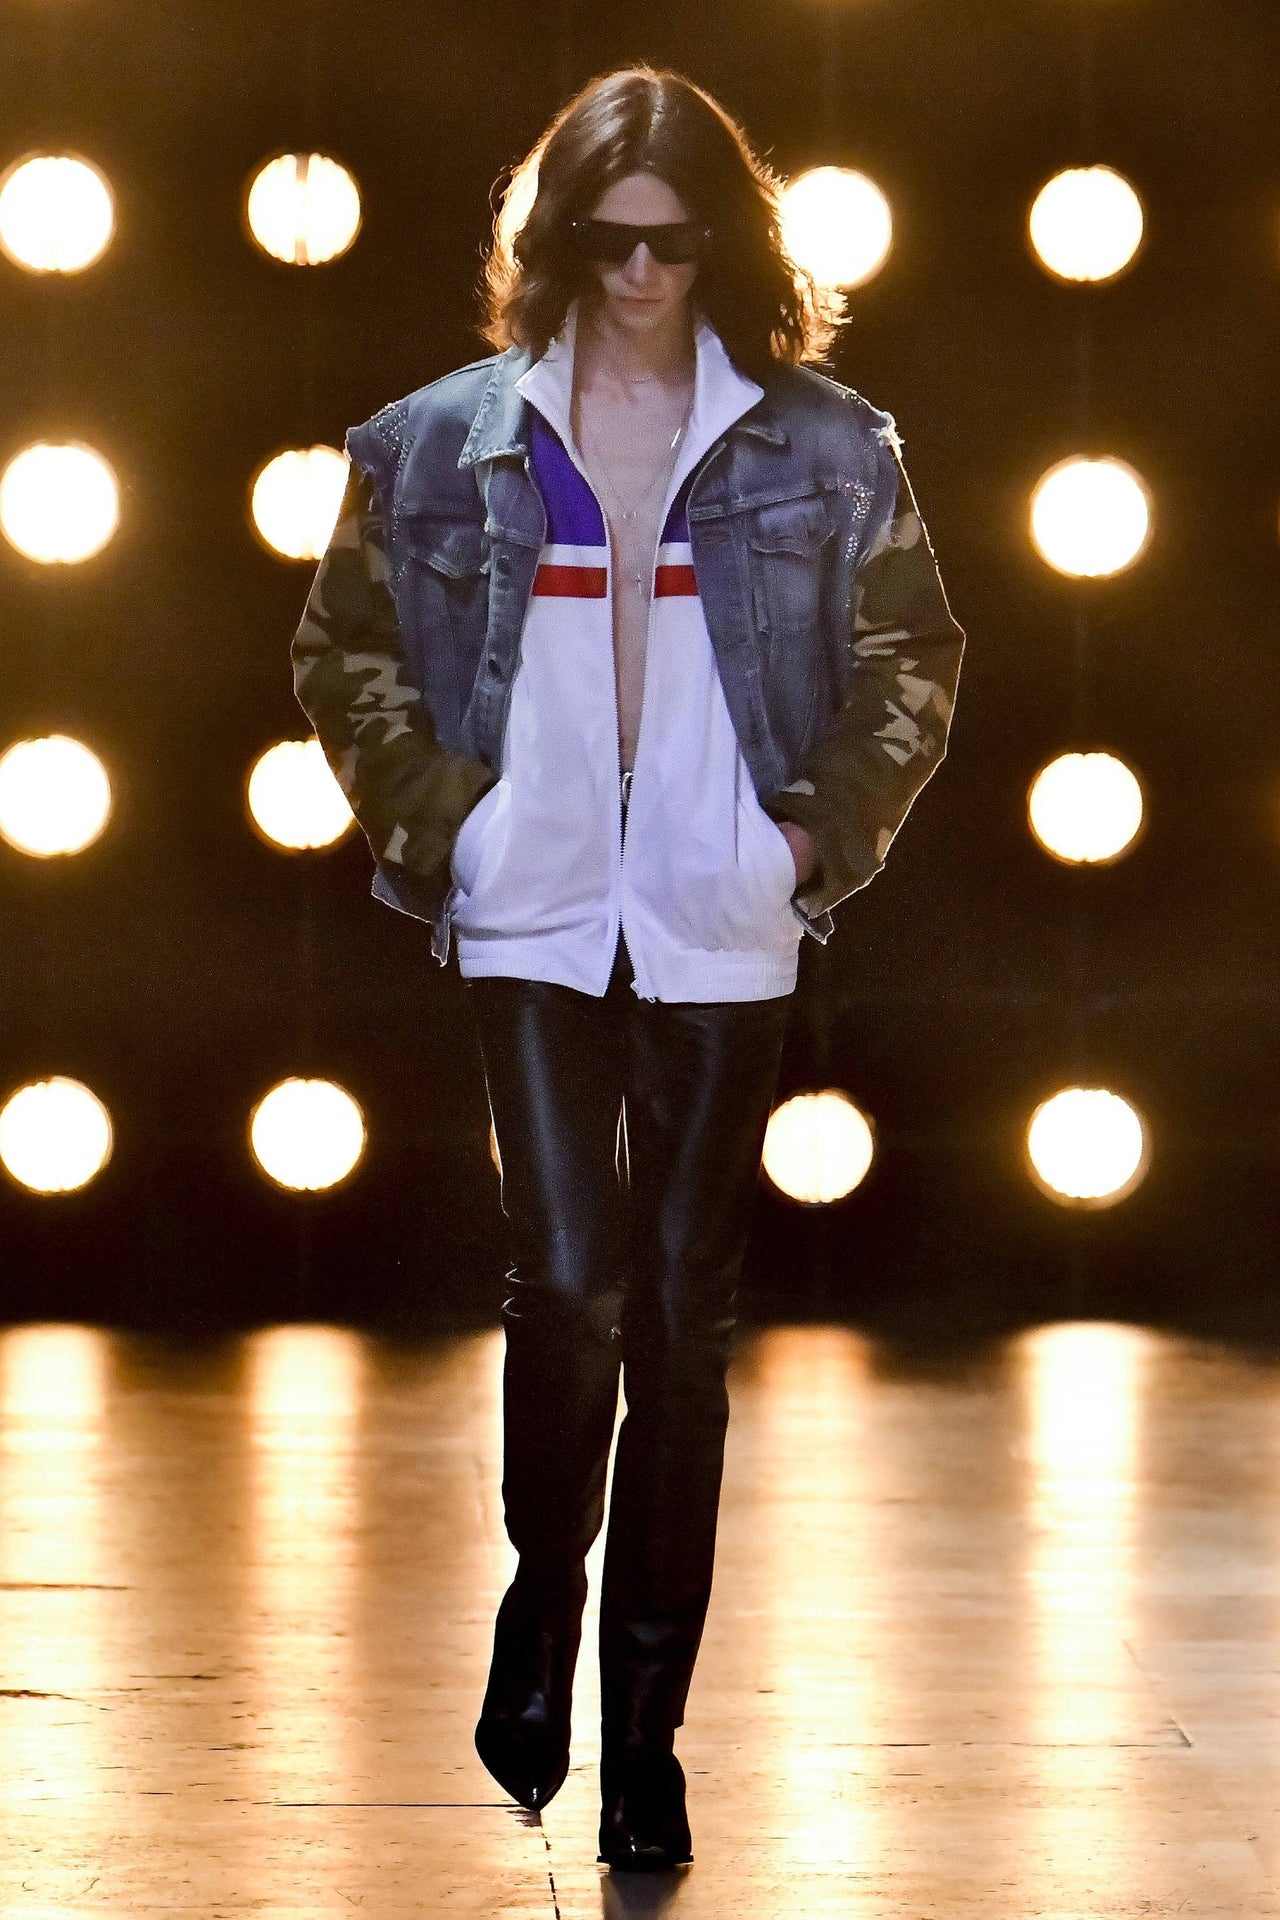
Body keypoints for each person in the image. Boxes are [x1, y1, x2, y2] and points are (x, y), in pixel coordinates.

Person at [291, 64, 965, 1874]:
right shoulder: (441, 444)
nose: (646, 270)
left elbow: (913, 662)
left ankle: (647, 1733)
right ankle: (543, 1589)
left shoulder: (827, 447)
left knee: (682, 1314)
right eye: (614, 236)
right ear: (564, 236)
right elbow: (344, 650)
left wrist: (806, 843)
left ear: (725, 243)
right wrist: (458, 825)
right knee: (571, 1278)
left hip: (725, 919)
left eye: (678, 239)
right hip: (529, 910)